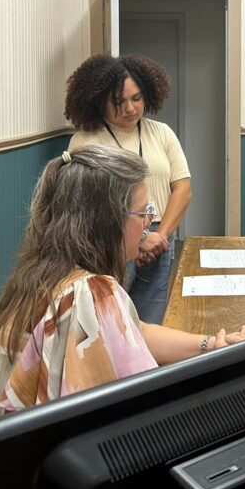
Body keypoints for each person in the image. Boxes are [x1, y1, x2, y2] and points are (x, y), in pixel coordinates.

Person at [0, 145, 245, 489]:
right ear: (106, 220)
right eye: (143, 213)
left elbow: (134, 332)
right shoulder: (90, 297)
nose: (148, 223)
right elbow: (147, 423)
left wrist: (212, 345)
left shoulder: (39, 278)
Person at [65, 54, 191, 324]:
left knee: (149, 322)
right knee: (110, 323)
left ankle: (149, 369)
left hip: (159, 242)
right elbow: (85, 206)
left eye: (136, 98)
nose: (130, 108)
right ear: (99, 100)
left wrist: (160, 236)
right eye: (118, 101)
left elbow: (182, 189)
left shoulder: (162, 133)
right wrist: (137, 239)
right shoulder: (85, 141)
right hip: (108, 245)